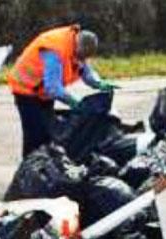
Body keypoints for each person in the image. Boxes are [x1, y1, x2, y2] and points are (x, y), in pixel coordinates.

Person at [7, 25, 116, 157]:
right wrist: (75, 103)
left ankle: (43, 166)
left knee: (47, 133)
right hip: (25, 90)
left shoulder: (77, 45)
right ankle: (29, 169)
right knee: (34, 135)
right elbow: (53, 88)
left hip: (42, 92)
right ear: (77, 47)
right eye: (80, 56)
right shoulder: (55, 50)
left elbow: (86, 72)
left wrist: (100, 84)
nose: (81, 60)